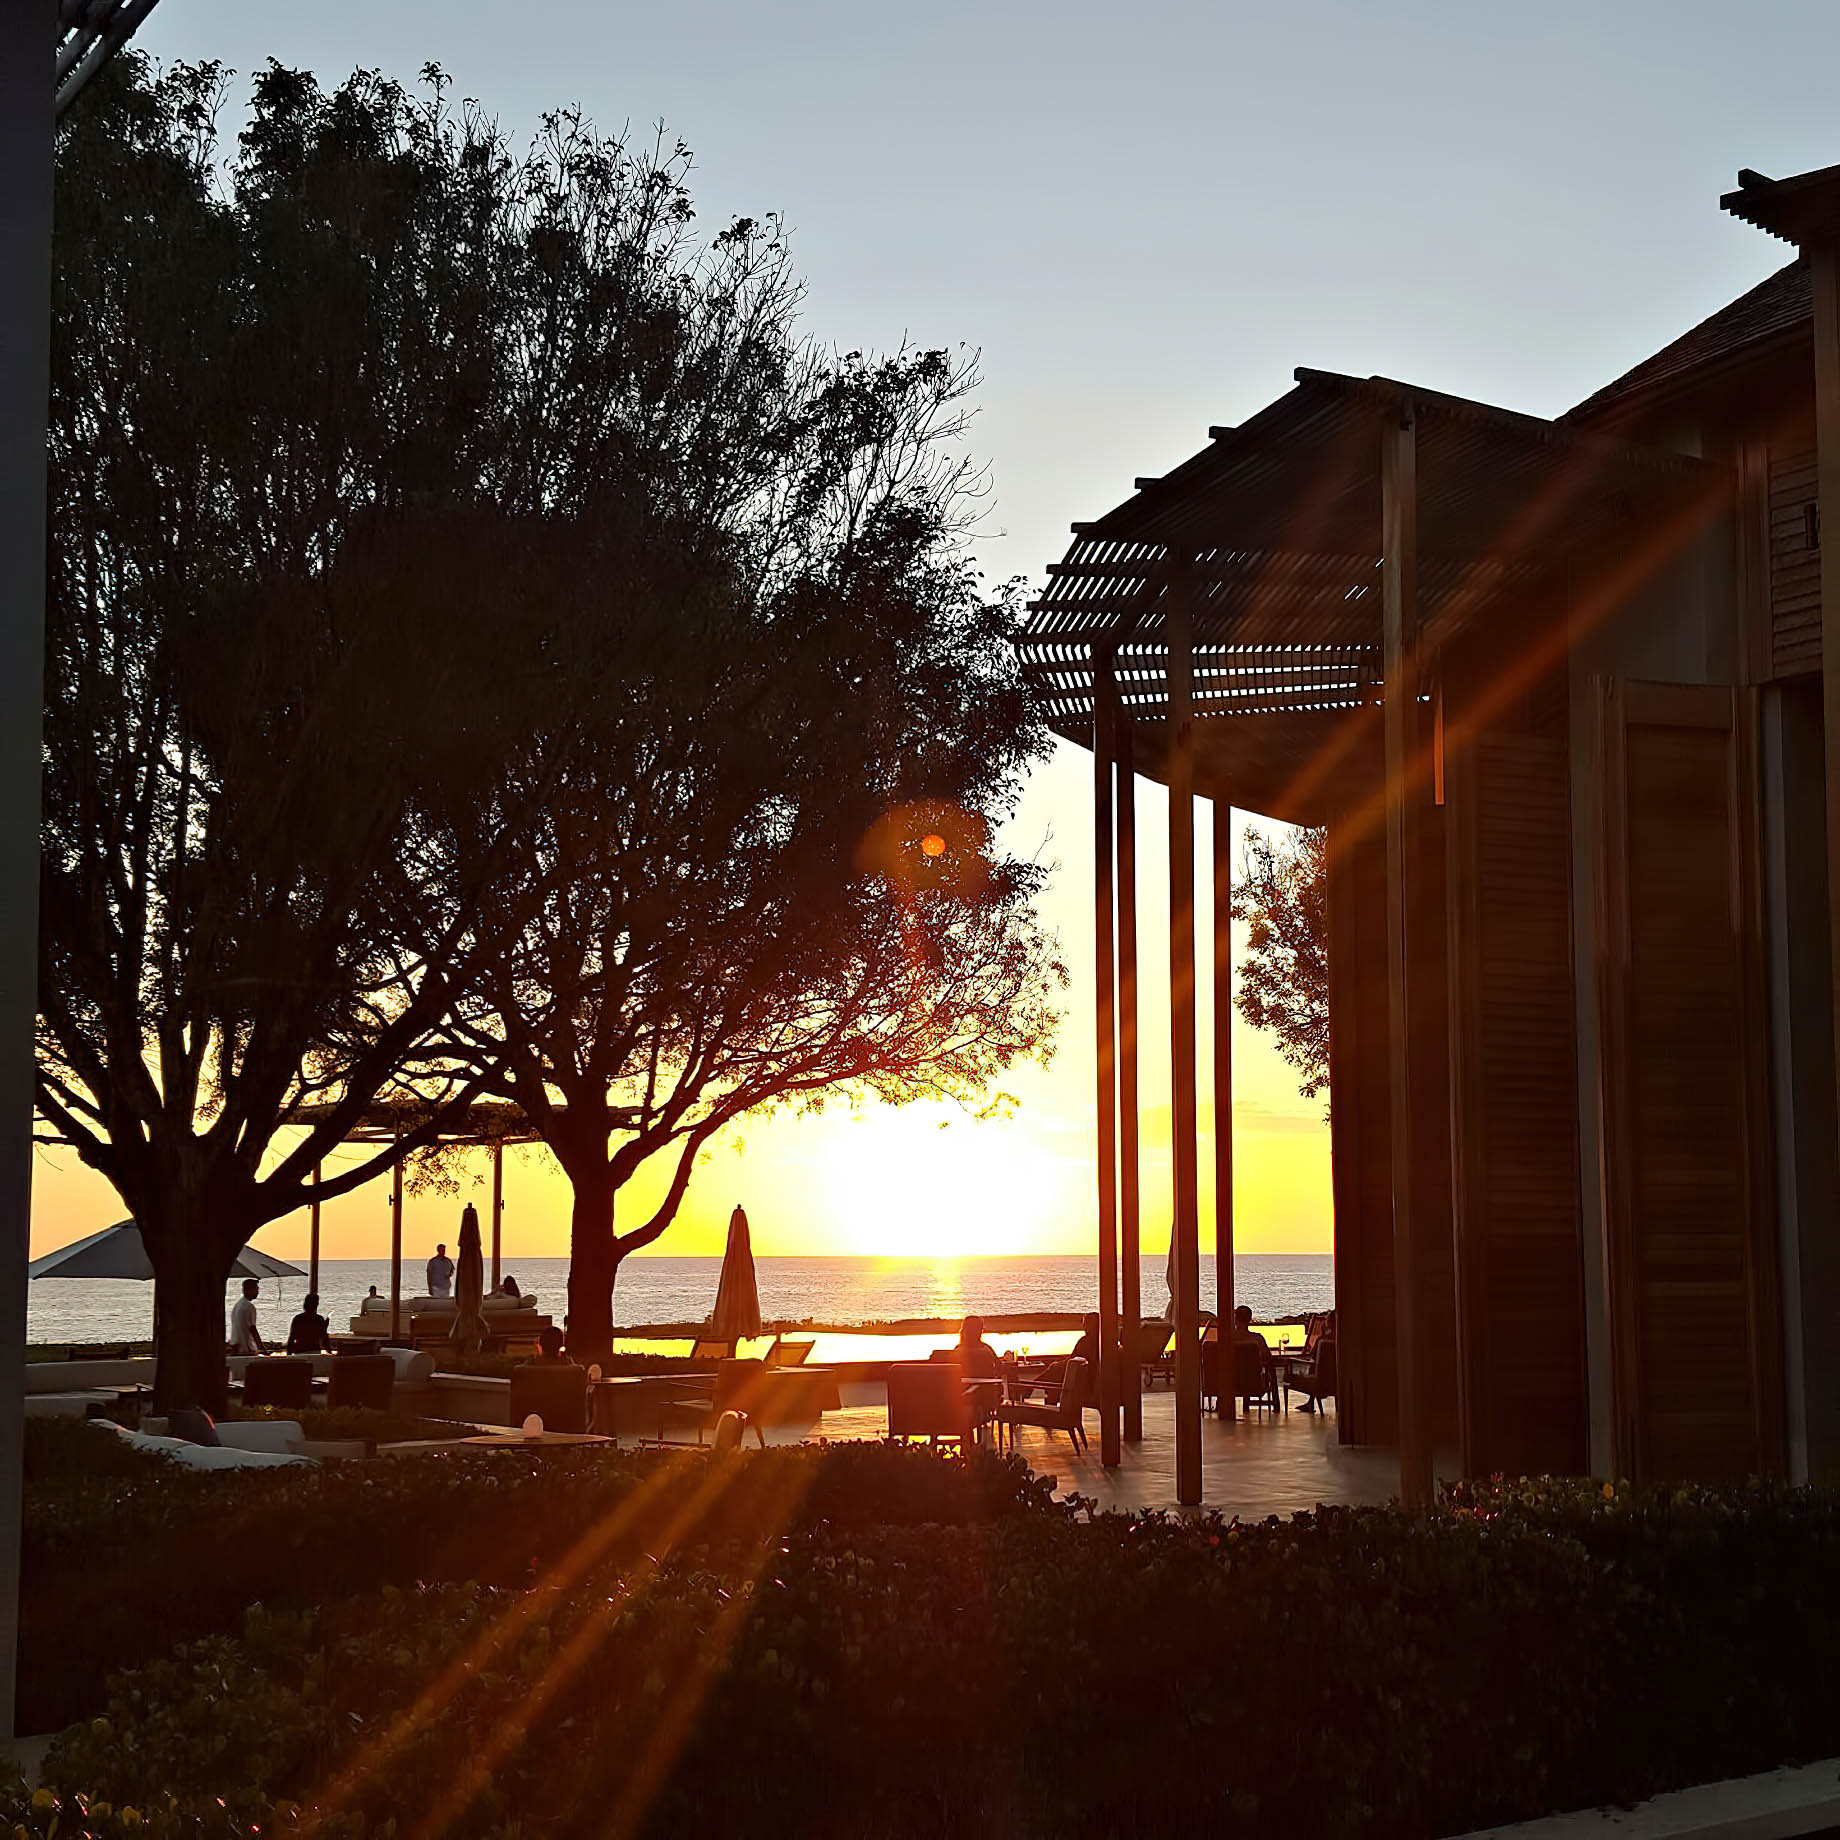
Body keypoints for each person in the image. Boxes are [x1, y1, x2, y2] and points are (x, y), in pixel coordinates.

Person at [953, 1315, 1003, 1382]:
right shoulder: (986, 1349)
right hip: (986, 1387)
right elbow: (999, 1368)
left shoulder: (957, 1349)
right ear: (979, 1331)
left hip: (963, 1388)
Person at [229, 1278, 266, 1356]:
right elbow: (252, 1328)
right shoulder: (249, 1306)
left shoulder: (238, 1305)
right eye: (256, 1289)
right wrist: (261, 1347)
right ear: (249, 1290)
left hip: (236, 1346)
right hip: (246, 1348)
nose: (257, 1292)